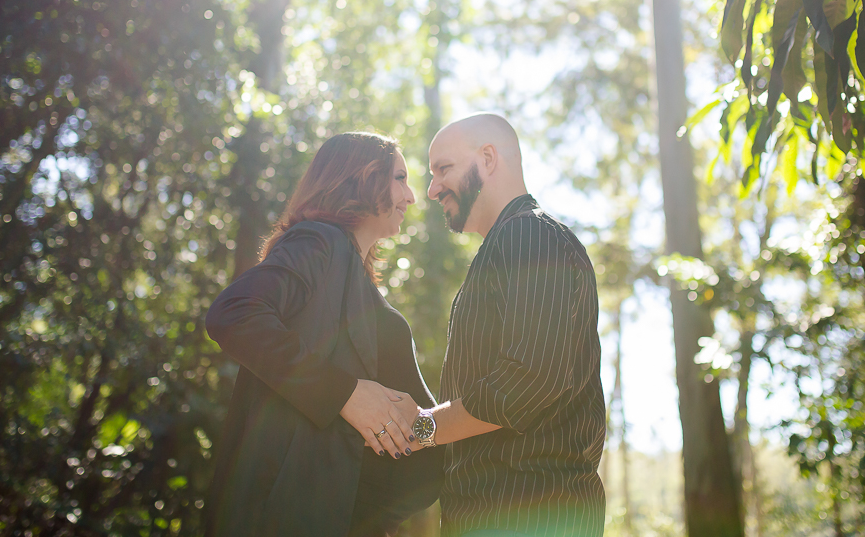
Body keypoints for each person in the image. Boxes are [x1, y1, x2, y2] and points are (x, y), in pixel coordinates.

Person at [204, 131, 445, 537]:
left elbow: (394, 421)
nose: (411, 196)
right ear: (364, 178)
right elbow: (234, 313)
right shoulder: (320, 241)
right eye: (400, 178)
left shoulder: (356, 277)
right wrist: (345, 393)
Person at [410, 113, 606, 537]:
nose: (432, 188)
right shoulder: (507, 244)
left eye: (443, 169)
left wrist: (419, 429)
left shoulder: (529, 236)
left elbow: (524, 383)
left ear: (487, 158)